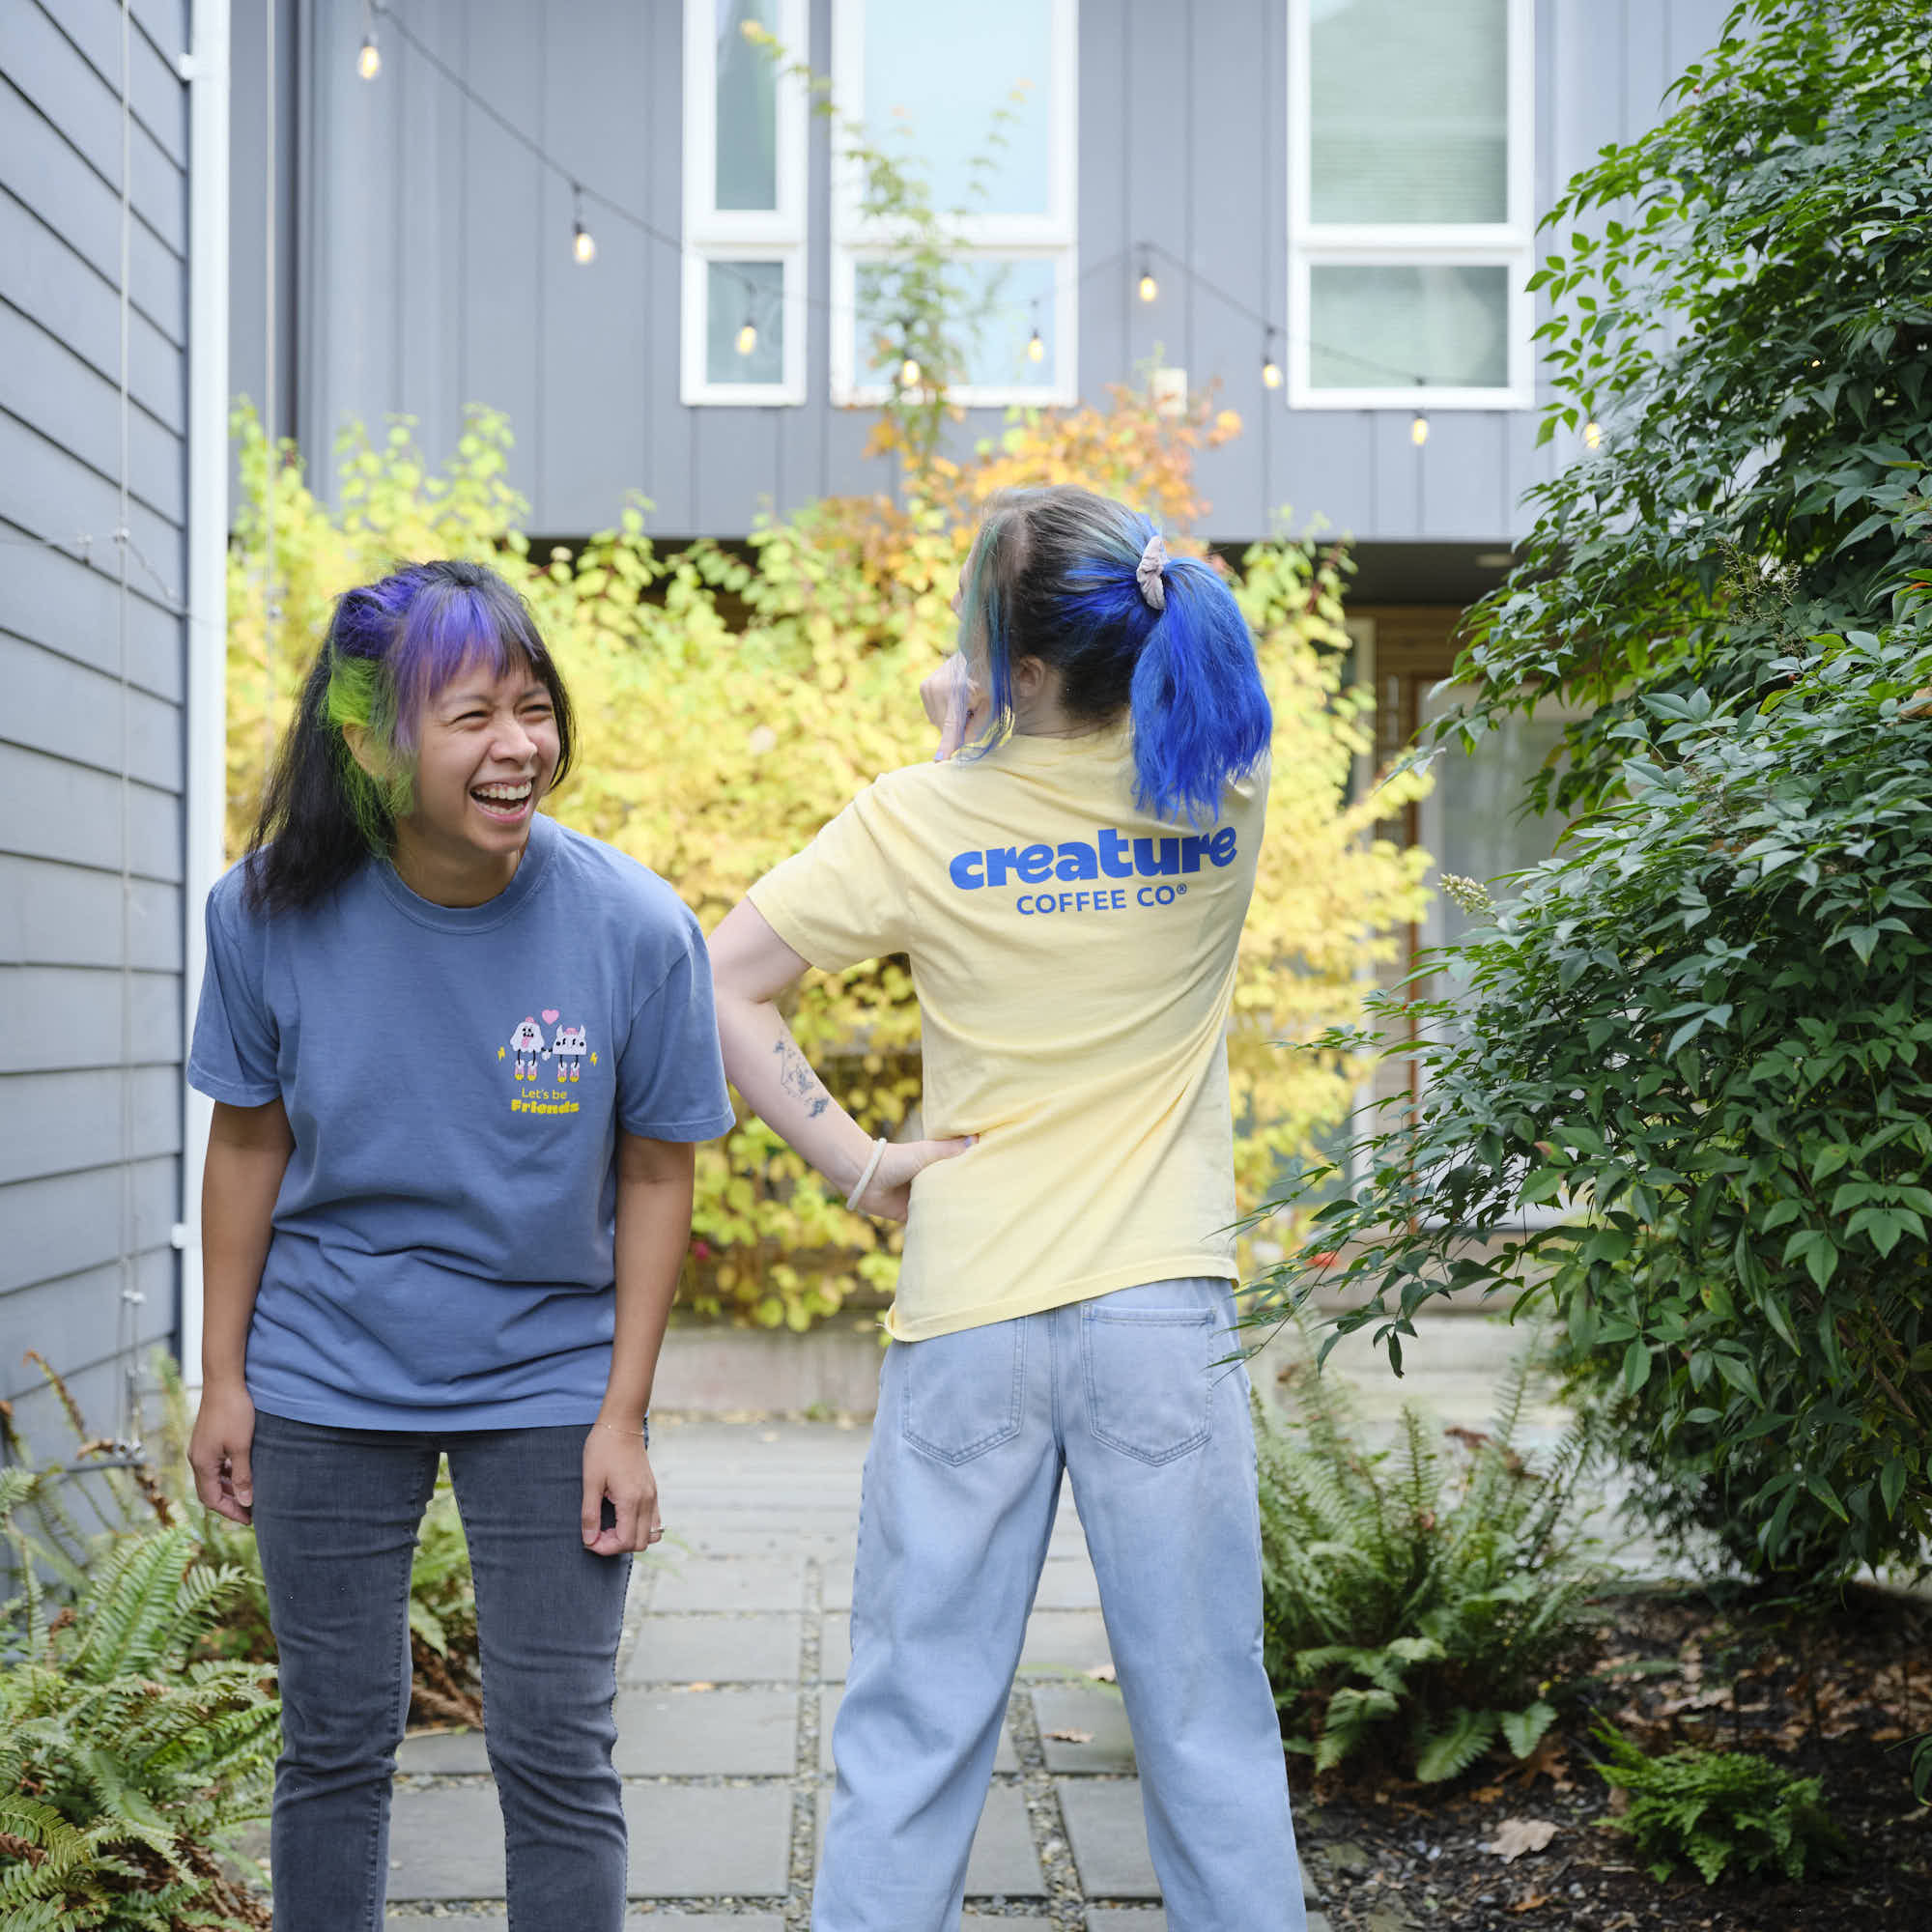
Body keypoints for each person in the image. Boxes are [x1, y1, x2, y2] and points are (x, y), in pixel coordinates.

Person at [708, 486, 1305, 1931]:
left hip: (972, 1306)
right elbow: (1167, 685)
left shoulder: (917, 818)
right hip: (1163, 1315)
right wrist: (994, 703)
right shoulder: (1224, 783)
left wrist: (860, 1163)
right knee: (1210, 1732)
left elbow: (721, 979)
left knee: (912, 1737)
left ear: (1017, 669)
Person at [185, 559, 735, 1932]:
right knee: (332, 1749)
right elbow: (248, 1144)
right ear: (370, 742)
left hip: (549, 1375)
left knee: (557, 1756)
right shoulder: (261, 916)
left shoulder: (635, 928)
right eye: (472, 715)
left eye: (534, 708)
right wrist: (223, 1378)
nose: (519, 748)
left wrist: (626, 1417)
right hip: (322, 1373)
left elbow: (657, 1173)